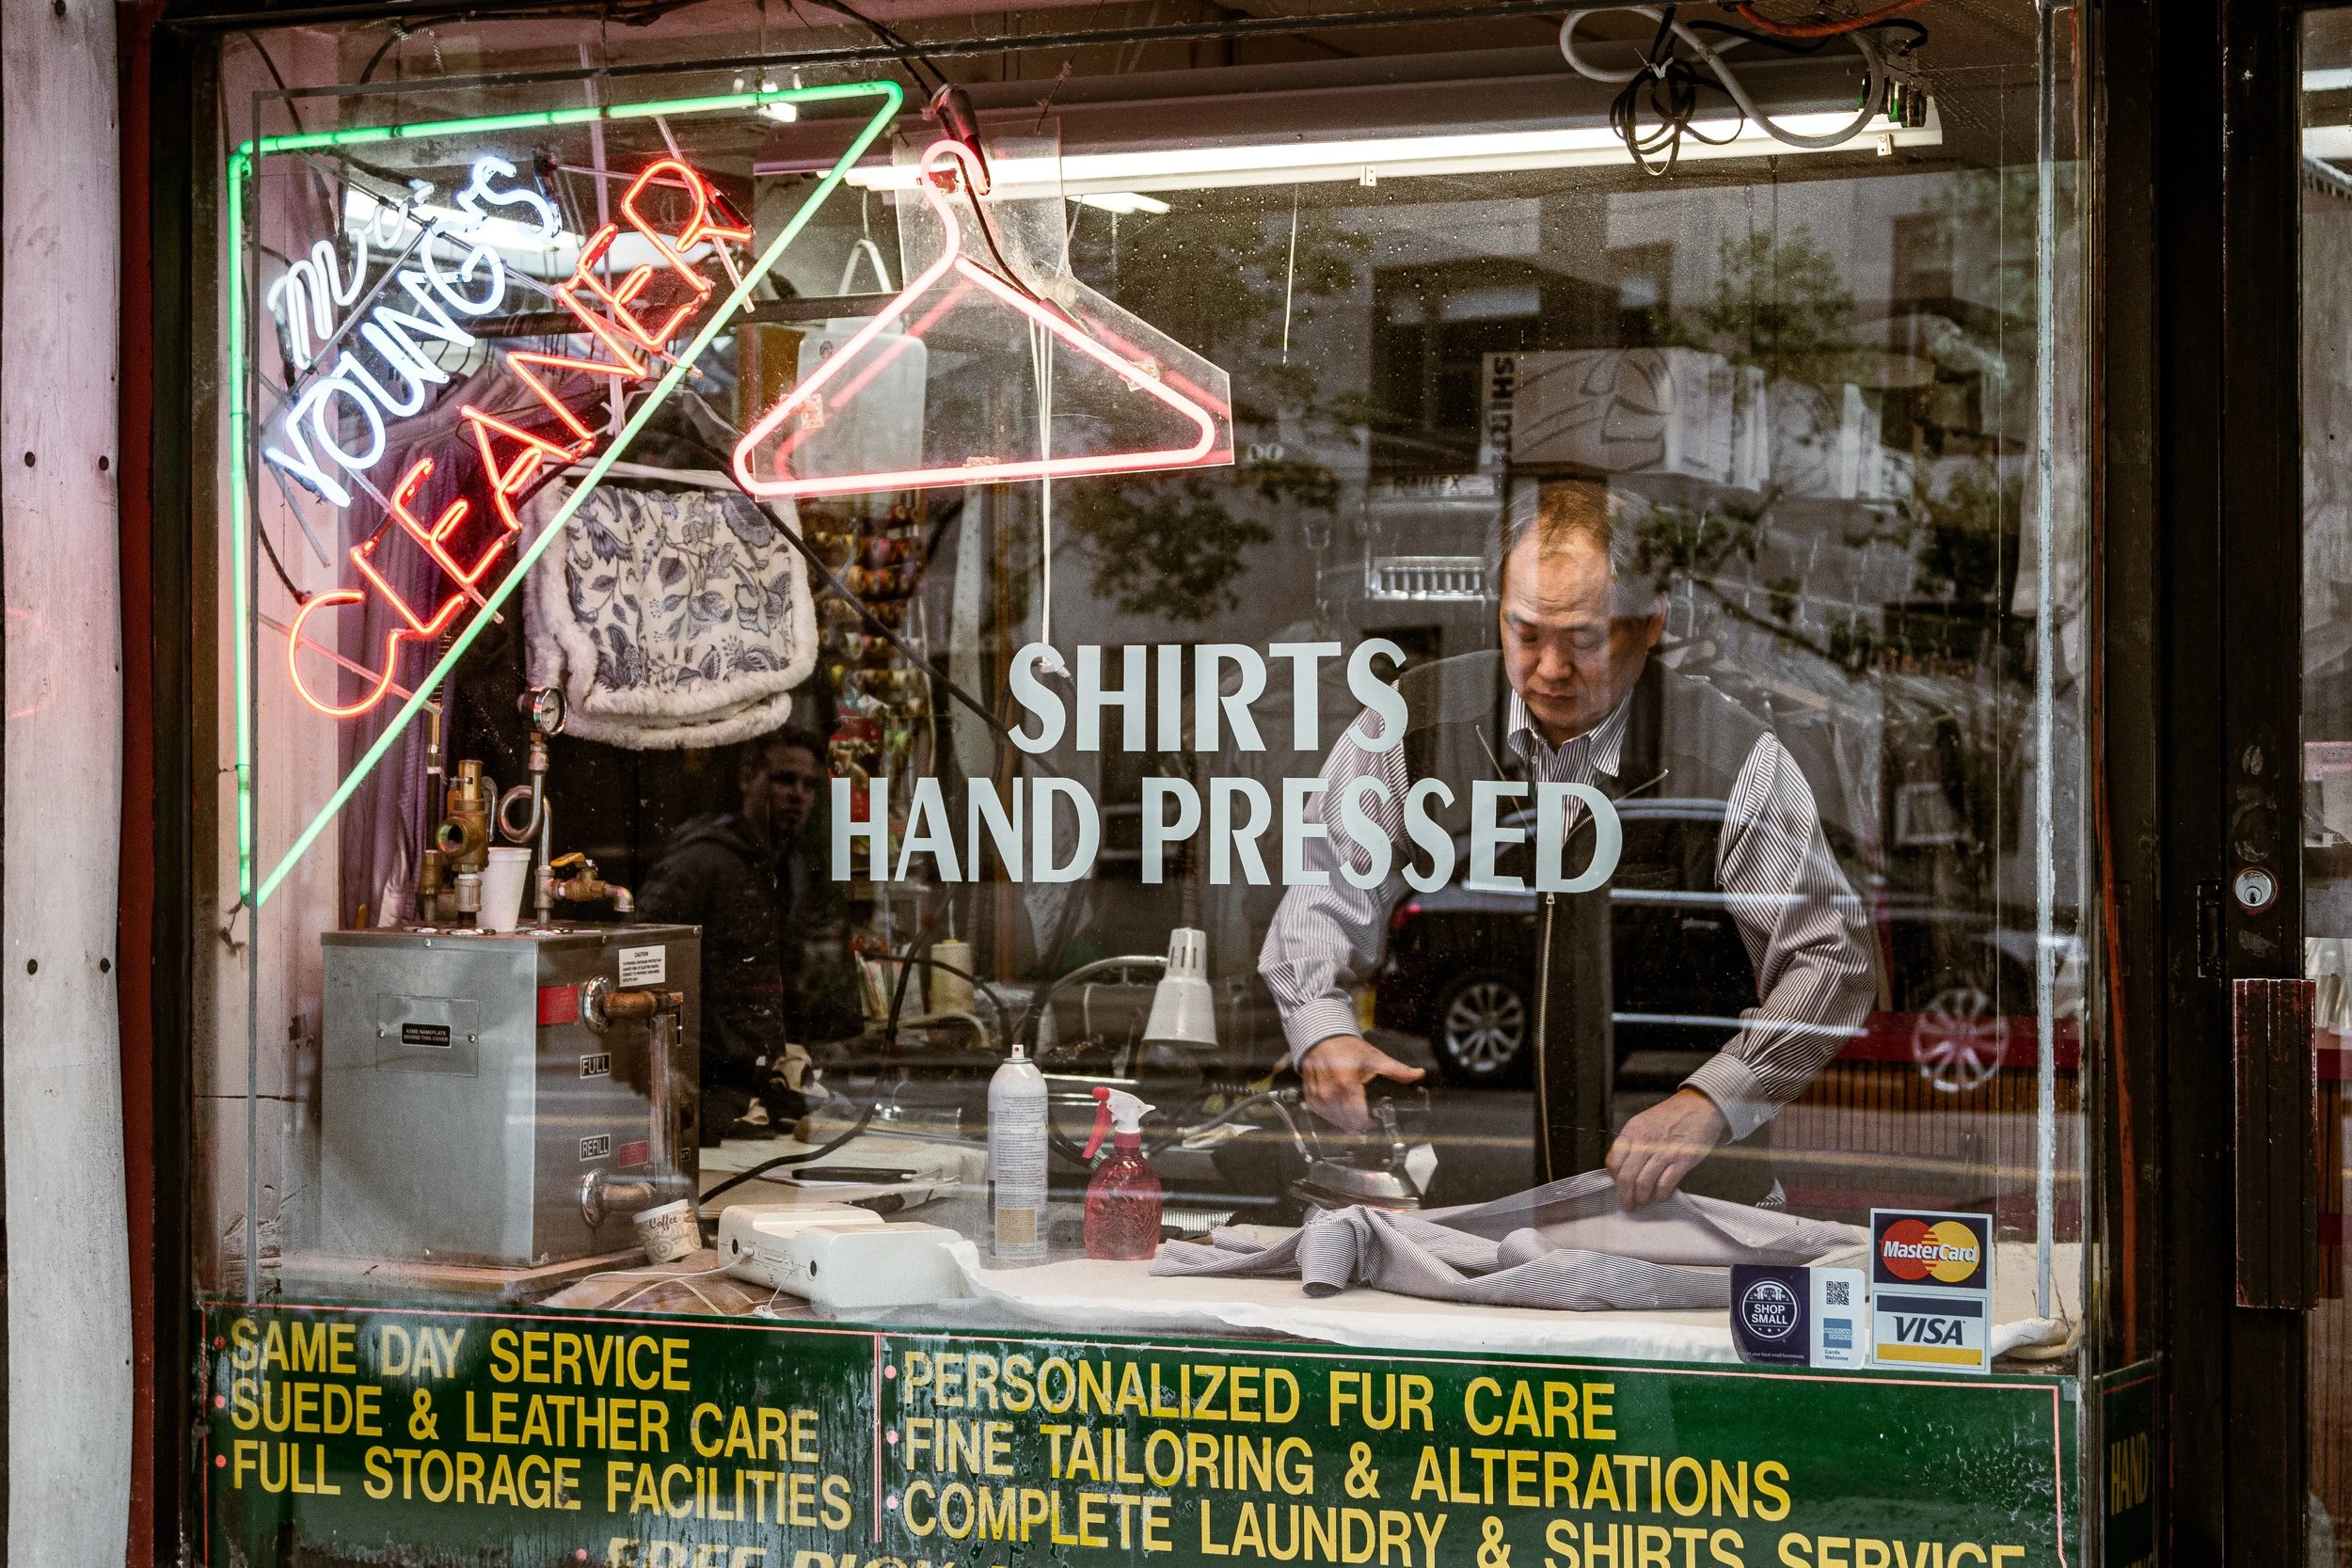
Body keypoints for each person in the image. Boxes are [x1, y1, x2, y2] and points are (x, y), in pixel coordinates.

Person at [1259, 480, 1875, 1209]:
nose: (1550, 668)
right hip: (1470, 1199)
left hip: (1690, 1213)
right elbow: (1326, 891)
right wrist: (1321, 1031)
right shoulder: (1408, 724)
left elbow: (1832, 956)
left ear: (1651, 622)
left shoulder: (1732, 753)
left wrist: (1716, 1098)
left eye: (1584, 638)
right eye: (1525, 632)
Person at [638, 729, 825, 1142]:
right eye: (783, 779)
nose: (797, 794)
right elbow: (640, 966)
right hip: (702, 1090)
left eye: (809, 785)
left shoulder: (790, 866)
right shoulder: (702, 859)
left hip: (756, 1096)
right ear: (748, 778)